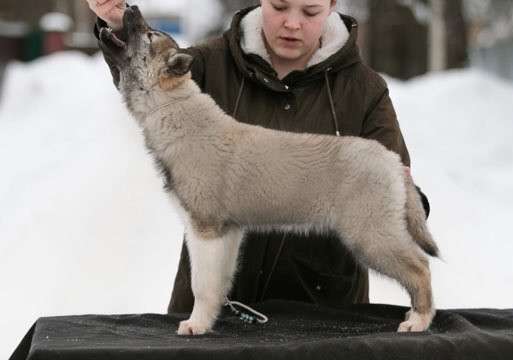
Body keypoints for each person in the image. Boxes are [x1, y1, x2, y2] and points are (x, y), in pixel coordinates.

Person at [87, 0, 430, 314]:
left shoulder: (364, 90)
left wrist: (395, 200)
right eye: (279, 6)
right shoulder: (211, 63)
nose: (292, 24)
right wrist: (123, 27)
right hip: (215, 318)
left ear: (331, 7)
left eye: (309, 12)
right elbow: (153, 70)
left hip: (322, 315)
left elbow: (396, 187)